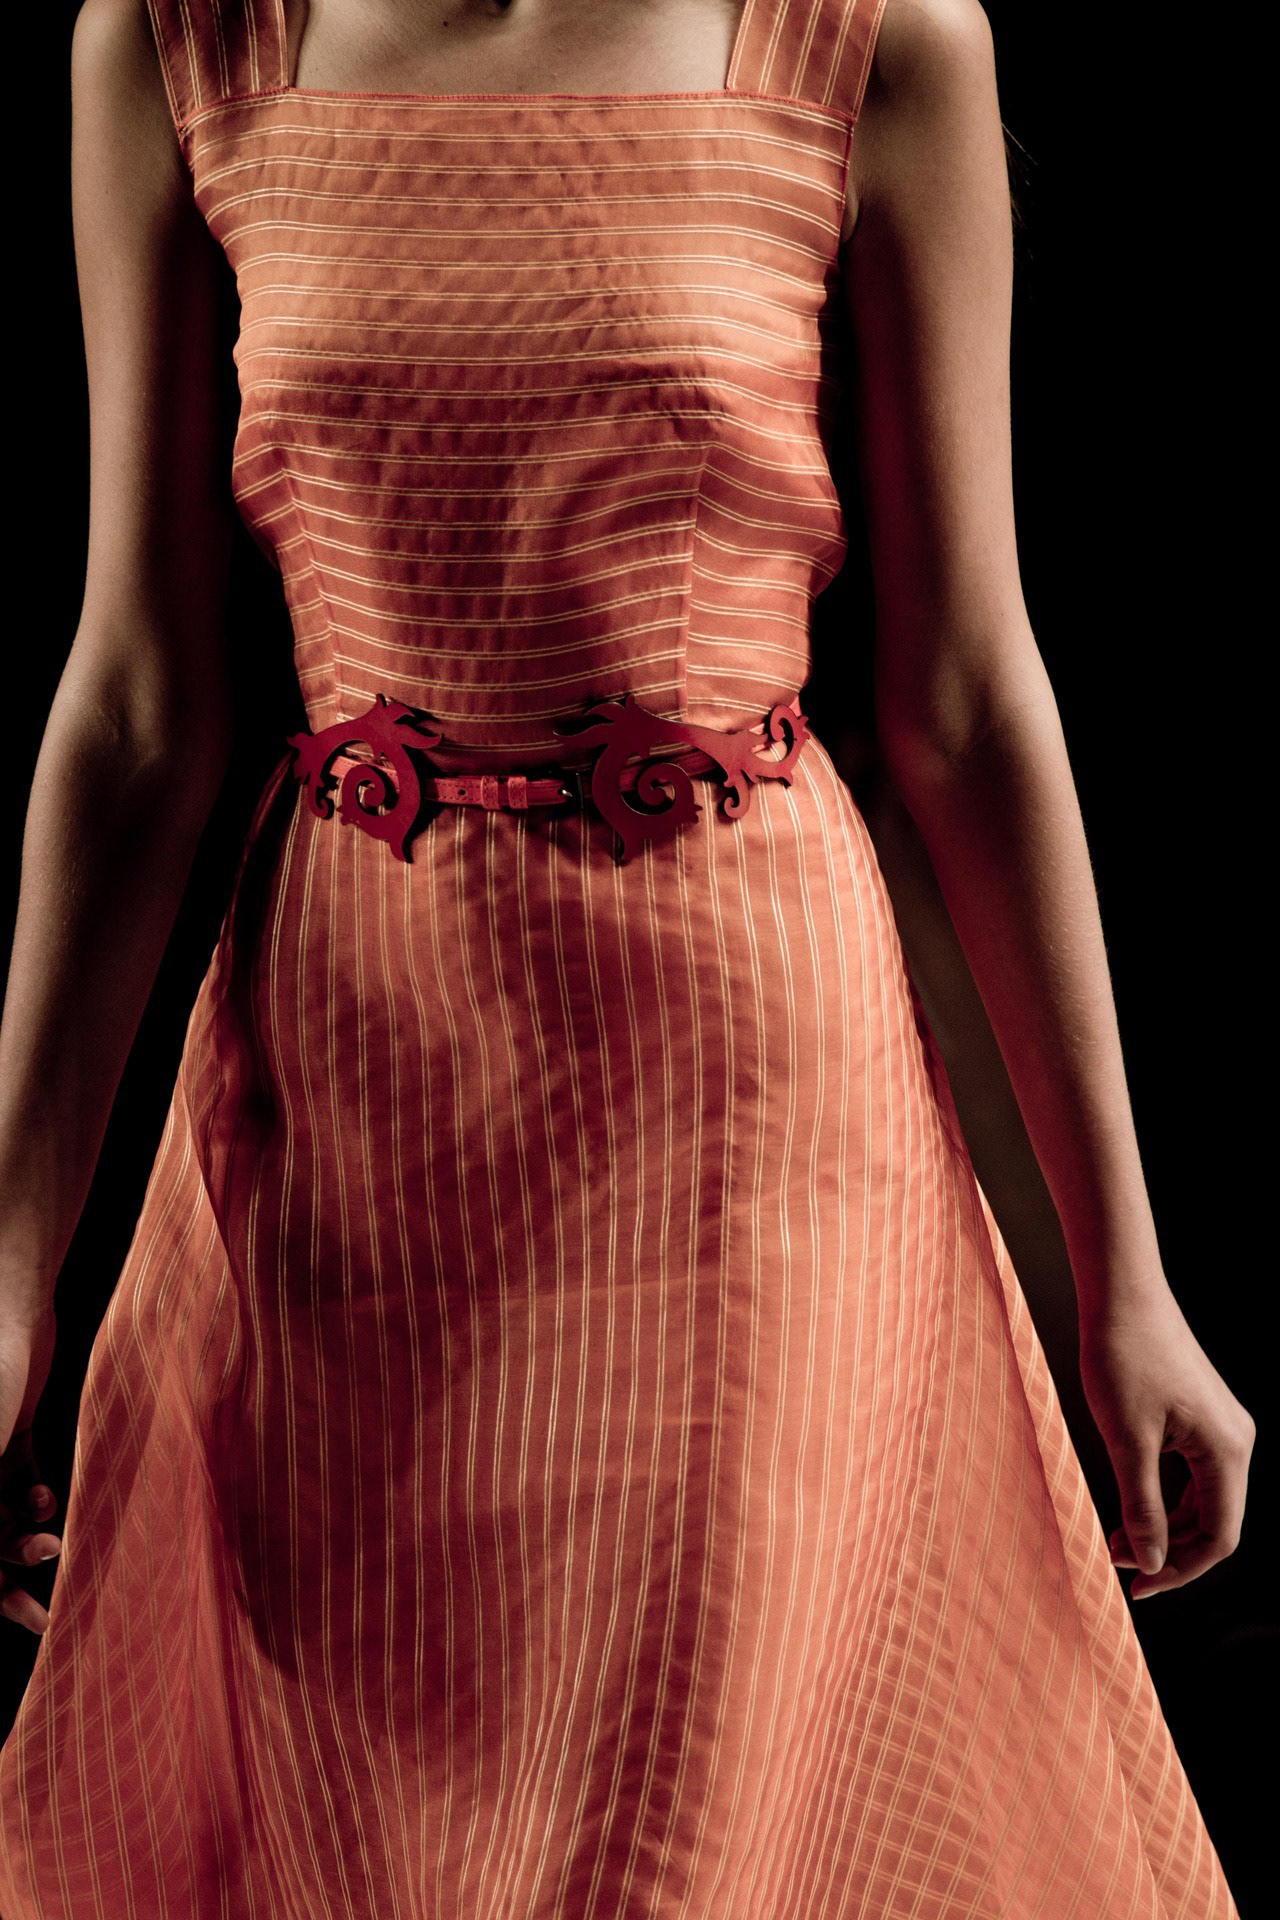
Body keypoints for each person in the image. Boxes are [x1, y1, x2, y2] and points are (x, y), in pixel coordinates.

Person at [0, 0, 1252, 1912]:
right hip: (343, 1114)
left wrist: (1125, 1280)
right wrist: (9, 1275)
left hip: (745, 1105)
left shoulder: (865, 39)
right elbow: (139, 710)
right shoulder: (184, 44)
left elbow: (965, 698)